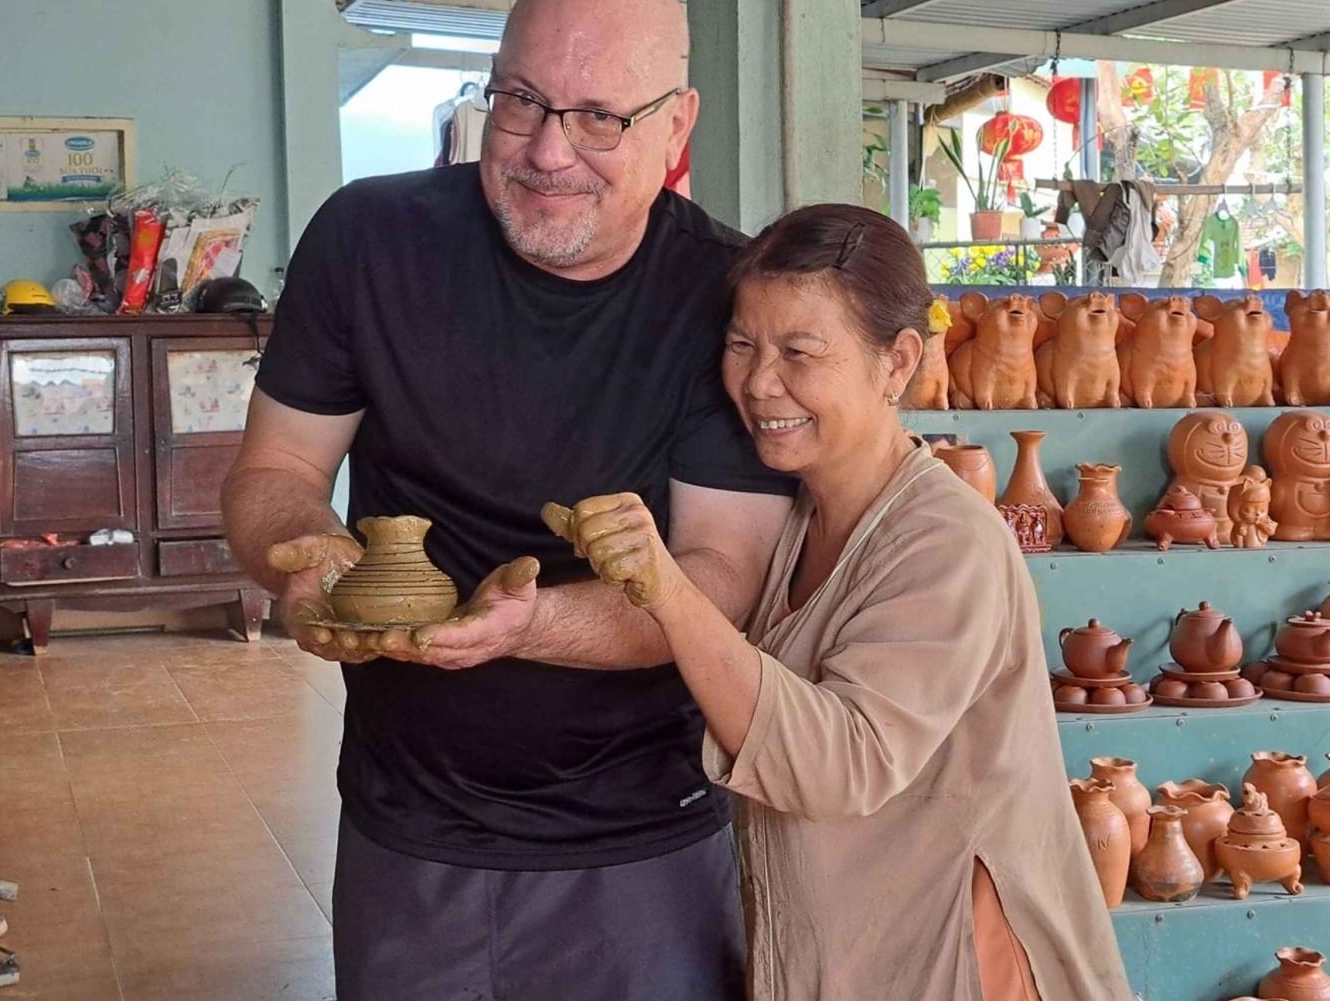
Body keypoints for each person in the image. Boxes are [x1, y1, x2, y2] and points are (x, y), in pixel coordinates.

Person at [220, 0, 797, 997]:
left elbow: (720, 578)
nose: (545, 149)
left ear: (677, 124)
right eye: (520, 100)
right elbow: (274, 474)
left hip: (640, 838)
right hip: (407, 825)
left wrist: (524, 626)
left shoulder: (725, 299)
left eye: (598, 117)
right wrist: (307, 553)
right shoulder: (371, 238)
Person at [557, 204, 1133, 1001]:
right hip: (853, 954)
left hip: (956, 963)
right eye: (741, 345)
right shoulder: (800, 516)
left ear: (897, 362)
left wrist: (668, 592)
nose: (760, 383)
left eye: (800, 351)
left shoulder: (946, 543)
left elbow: (841, 765)